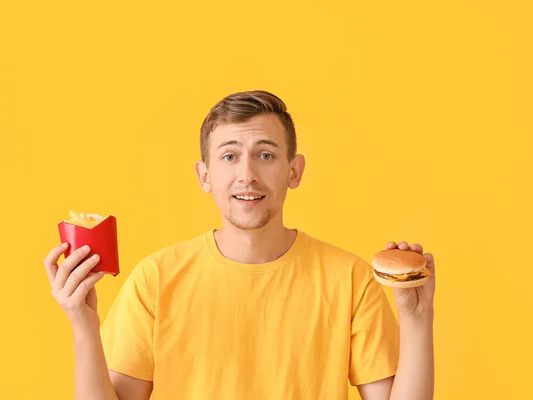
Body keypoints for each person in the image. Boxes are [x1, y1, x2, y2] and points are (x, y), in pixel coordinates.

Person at [44, 90, 435, 400]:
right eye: (229, 156)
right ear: (205, 175)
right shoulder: (156, 279)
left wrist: (417, 319)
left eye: (265, 155)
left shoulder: (349, 279)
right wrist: (84, 326)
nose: (247, 174)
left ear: (293, 171)